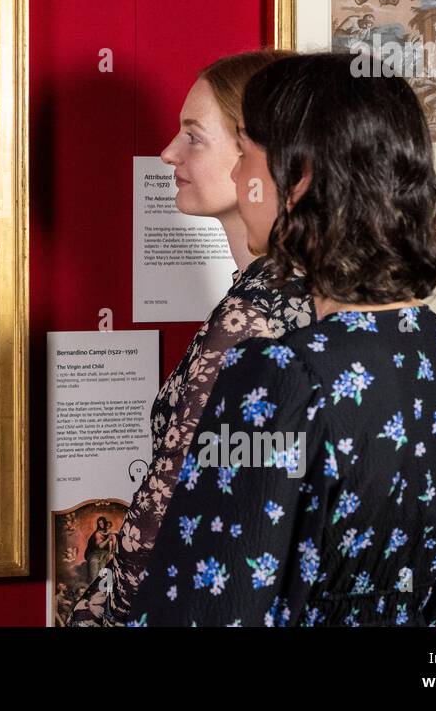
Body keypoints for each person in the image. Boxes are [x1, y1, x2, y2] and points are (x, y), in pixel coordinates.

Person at [127, 52, 436, 626]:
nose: (234, 176)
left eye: (244, 153)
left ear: (295, 180)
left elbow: (202, 605)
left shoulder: (278, 373)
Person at [68, 50, 315, 626]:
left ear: (256, 155)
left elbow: (163, 517)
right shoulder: (300, 295)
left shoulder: (251, 316)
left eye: (193, 137)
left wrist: (96, 619)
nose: (167, 153)